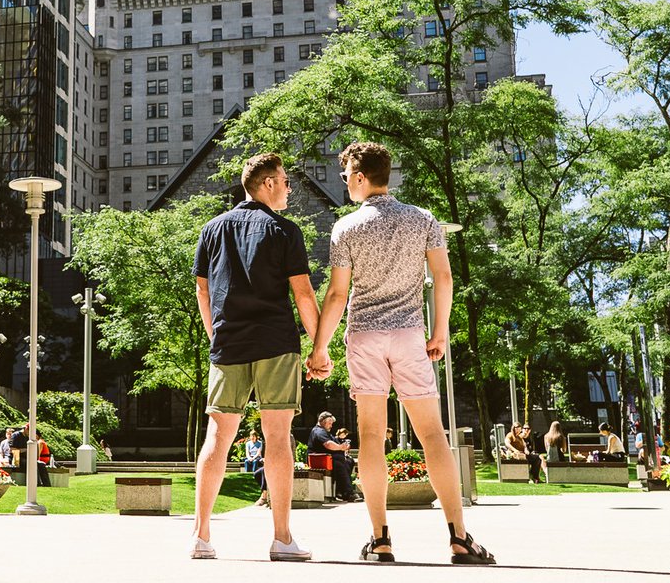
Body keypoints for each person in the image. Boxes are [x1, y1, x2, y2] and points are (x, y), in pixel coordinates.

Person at [307, 142, 495, 566]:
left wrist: (319, 347)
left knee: (372, 437)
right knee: (432, 435)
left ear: (359, 176)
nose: (345, 185)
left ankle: (381, 540)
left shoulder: (346, 229)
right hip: (410, 334)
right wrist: (440, 333)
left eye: (345, 177)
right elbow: (443, 278)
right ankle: (459, 538)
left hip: (365, 337)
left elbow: (337, 295)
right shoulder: (423, 219)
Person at [189, 152, 321, 562]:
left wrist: (217, 337)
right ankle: (282, 539)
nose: (288, 188)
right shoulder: (285, 231)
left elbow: (203, 291)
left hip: (228, 346)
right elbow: (303, 293)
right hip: (276, 343)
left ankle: (201, 537)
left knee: (218, 436)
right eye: (283, 181)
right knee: (278, 437)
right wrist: (320, 348)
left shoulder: (212, 229)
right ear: (266, 184)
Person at [308, 411, 358, 502]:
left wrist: (344, 446)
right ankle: (348, 492)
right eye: (330, 423)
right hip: (320, 459)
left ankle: (341, 491)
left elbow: (336, 442)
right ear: (323, 422)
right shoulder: (318, 431)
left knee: (349, 461)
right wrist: (340, 447)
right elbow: (328, 444)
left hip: (330, 458)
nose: (331, 426)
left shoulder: (326, 432)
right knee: (339, 463)